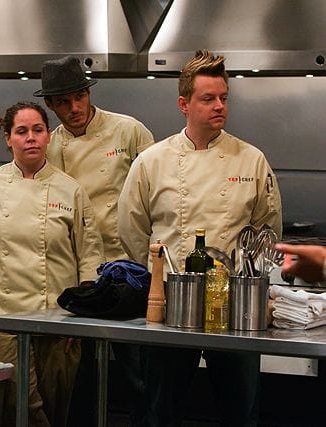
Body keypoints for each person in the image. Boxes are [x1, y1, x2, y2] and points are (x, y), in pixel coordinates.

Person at [118, 50, 282, 426]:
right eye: (208, 98)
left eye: (223, 97)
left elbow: (267, 231)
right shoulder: (152, 161)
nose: (219, 106)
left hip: (236, 307)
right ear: (184, 104)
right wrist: (159, 281)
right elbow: (131, 230)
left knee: (240, 412)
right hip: (172, 305)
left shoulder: (251, 160)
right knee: (161, 412)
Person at [0, 101, 104, 427]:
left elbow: (90, 255)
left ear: (48, 136)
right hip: (4, 315)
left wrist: (81, 314)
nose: (31, 138)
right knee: (19, 403)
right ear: (8, 138)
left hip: (59, 317)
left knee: (56, 404)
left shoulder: (71, 190)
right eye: (21, 131)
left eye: (38, 130)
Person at [34, 55, 154, 425]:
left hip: (129, 272)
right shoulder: (49, 146)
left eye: (80, 97)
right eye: (64, 102)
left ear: (89, 94)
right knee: (81, 374)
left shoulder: (129, 131)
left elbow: (154, 193)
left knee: (138, 371)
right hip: (80, 276)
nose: (75, 108)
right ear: (50, 105)